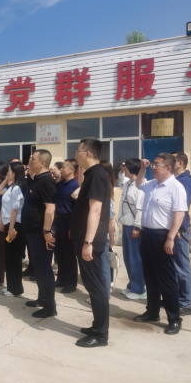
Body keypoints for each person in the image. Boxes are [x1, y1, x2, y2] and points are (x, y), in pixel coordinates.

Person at [134, 154, 188, 336]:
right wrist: (142, 168)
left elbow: (179, 214)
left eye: (157, 164)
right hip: (147, 235)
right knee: (150, 276)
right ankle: (152, 311)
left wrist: (171, 238)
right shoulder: (152, 184)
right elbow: (138, 183)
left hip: (163, 236)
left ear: (168, 168)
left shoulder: (175, 187)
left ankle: (174, 319)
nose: (153, 167)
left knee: (167, 279)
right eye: (153, 164)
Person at [70, 137, 111, 348]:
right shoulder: (92, 174)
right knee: (92, 285)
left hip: (91, 243)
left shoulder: (96, 175)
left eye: (77, 151)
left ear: (87, 153)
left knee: (96, 287)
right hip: (86, 240)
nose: (75, 155)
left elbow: (95, 210)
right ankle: (97, 326)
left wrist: (88, 242)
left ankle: (101, 335)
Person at [22, 150, 58, 319]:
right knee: (37, 268)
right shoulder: (36, 180)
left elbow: (50, 209)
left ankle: (50, 307)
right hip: (32, 232)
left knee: (44, 270)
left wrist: (46, 231)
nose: (30, 161)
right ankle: (42, 299)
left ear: (42, 162)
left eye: (33, 159)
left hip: (41, 233)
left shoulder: (47, 182)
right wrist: (29, 174)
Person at [172, 151, 191, 316]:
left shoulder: (185, 181)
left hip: (180, 230)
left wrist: (178, 229)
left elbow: (182, 207)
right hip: (174, 229)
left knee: (182, 267)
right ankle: (176, 298)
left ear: (180, 162)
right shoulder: (175, 180)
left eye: (172, 160)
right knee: (174, 267)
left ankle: (186, 303)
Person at [118, 158, 146, 300]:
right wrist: (122, 170)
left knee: (135, 258)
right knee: (128, 257)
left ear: (132, 169)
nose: (125, 170)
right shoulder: (128, 183)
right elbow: (121, 180)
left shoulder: (140, 186)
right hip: (126, 224)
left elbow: (140, 209)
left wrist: (137, 227)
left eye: (127, 168)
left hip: (134, 227)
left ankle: (139, 289)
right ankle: (132, 285)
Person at [0, 162, 27, 297]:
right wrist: (6, 179)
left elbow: (15, 210)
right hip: (9, 223)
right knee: (9, 257)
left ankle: (16, 289)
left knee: (14, 257)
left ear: (15, 172)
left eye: (9, 171)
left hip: (14, 225)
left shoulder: (17, 189)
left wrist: (11, 228)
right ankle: (11, 286)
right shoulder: (11, 187)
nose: (7, 173)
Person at [53, 159, 80, 293]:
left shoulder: (75, 186)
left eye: (63, 167)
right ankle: (61, 279)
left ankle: (71, 283)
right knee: (59, 252)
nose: (61, 170)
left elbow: (76, 210)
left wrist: (72, 227)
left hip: (68, 221)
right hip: (58, 221)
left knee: (69, 254)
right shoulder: (60, 185)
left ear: (71, 170)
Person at [100, 160, 116, 301]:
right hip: (100, 234)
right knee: (100, 265)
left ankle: (105, 295)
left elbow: (110, 220)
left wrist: (111, 237)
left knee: (104, 265)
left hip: (103, 234)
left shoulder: (106, 192)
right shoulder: (106, 188)